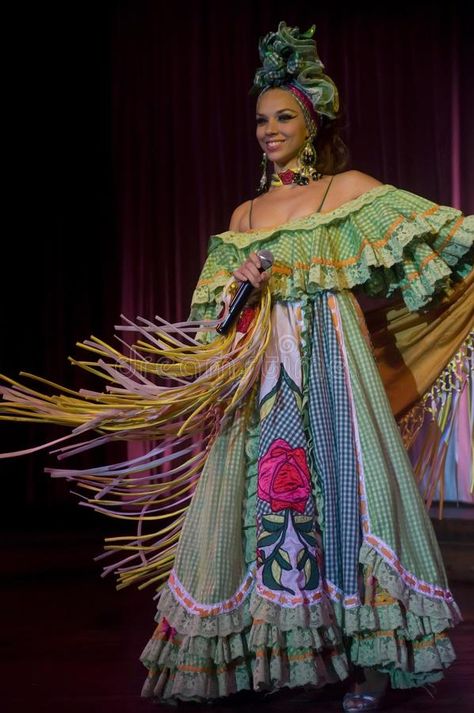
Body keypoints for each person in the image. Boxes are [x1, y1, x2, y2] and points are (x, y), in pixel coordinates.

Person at [0, 20, 472, 712]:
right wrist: (243, 284)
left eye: (283, 117)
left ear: (313, 124)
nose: (268, 130)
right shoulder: (244, 214)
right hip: (267, 384)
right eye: (260, 119)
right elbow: (214, 325)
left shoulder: (346, 193)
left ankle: (367, 663)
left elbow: (445, 236)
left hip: (337, 381)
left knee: (348, 501)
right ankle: (277, 652)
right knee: (273, 511)